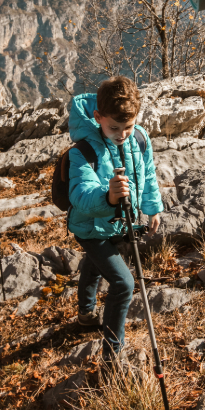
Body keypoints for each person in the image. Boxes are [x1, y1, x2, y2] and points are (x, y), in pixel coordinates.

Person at [66, 76, 163, 366]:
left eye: (128, 127)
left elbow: (147, 175)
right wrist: (107, 197)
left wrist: (152, 207)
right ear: (98, 117)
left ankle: (85, 313)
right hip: (90, 228)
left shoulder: (140, 139)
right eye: (114, 128)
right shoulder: (82, 150)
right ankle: (112, 354)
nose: (122, 134)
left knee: (96, 265)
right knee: (123, 283)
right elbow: (79, 195)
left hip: (121, 225)